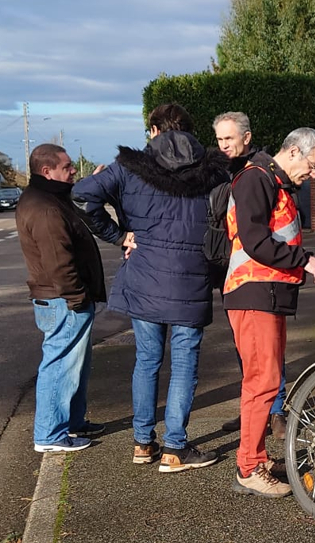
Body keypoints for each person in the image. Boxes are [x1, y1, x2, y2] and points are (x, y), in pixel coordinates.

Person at [73, 103, 229, 471]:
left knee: (146, 361)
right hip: (192, 277)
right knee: (184, 363)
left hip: (144, 277)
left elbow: (81, 195)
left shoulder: (130, 168)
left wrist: (118, 235)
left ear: (155, 131)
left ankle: (143, 442)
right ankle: (176, 447)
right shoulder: (213, 170)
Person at [223, 127, 315, 498]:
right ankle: (249, 468)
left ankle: (254, 457)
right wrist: (304, 260)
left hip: (265, 294)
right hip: (253, 294)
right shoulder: (257, 179)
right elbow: (255, 242)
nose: (314, 175)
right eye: (313, 166)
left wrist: (312, 259)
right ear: (293, 152)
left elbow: (276, 241)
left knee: (264, 380)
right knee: (263, 382)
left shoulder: (272, 180)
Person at [17, 144, 107, 453]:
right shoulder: (45, 207)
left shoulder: (49, 197)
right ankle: (50, 434)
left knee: (74, 365)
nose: (73, 171)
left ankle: (71, 422)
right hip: (63, 300)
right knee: (60, 366)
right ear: (47, 171)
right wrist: (78, 297)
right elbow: (59, 262)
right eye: (67, 167)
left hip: (62, 299)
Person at [212, 111, 287, 440]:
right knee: (249, 354)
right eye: (219, 139)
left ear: (246, 137)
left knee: (268, 356)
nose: (224, 144)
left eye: (230, 138)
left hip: (259, 276)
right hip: (231, 268)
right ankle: (254, 413)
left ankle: (275, 411)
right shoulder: (219, 171)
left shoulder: (258, 170)